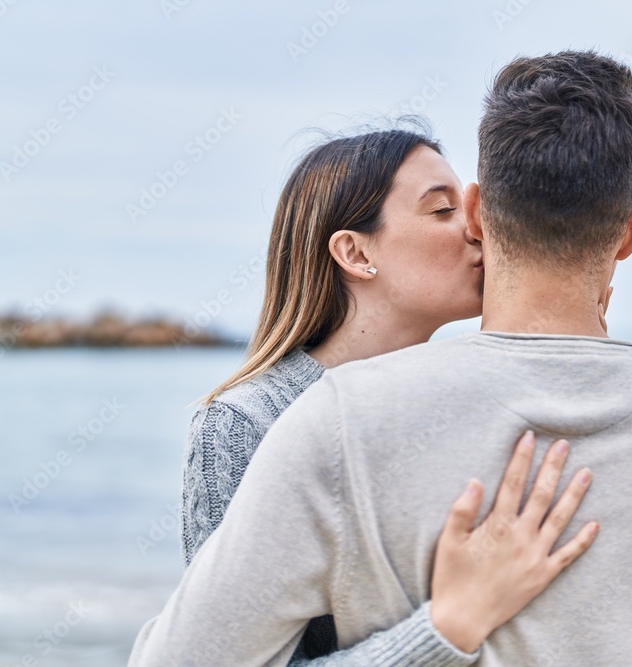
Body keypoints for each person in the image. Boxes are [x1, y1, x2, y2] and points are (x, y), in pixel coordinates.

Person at [131, 49, 632, 665]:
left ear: (481, 208)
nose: (465, 237)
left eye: (454, 210)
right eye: (436, 214)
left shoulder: (343, 423)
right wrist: (446, 626)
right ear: (631, 231)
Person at [178, 127, 606, 665]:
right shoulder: (246, 423)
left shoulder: (466, 399)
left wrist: (584, 357)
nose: (478, 229)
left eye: (473, 208)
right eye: (442, 211)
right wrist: (450, 626)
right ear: (355, 252)